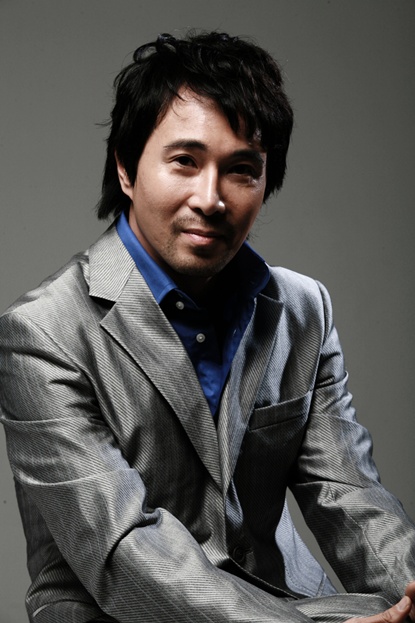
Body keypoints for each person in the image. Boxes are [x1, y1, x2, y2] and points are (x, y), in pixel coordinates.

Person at [0, 30, 414, 623]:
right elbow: (122, 550)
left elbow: (347, 492)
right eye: (184, 162)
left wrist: (409, 593)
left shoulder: (303, 309)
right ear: (126, 168)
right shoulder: (41, 334)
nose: (211, 198)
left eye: (241, 170)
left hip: (296, 604)